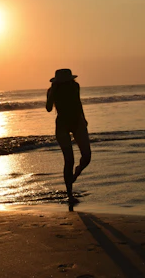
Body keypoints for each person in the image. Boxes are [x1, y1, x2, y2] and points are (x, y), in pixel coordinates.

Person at [46, 69, 91, 207]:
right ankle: (69, 194)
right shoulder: (52, 90)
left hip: (77, 122)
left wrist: (83, 118)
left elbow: (78, 103)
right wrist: (52, 95)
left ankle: (76, 174)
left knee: (87, 156)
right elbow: (48, 108)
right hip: (62, 125)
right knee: (69, 160)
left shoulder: (75, 86)